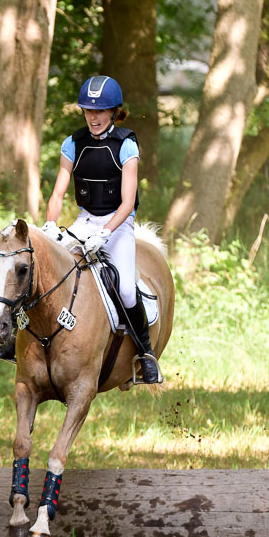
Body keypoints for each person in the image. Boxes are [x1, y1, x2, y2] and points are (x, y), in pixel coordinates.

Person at [41, 74, 160, 384]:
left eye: (100, 111)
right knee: (46, 269)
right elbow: (57, 194)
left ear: (113, 111)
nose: (93, 117)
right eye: (88, 111)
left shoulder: (126, 145)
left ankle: (146, 355)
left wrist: (105, 233)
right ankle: (17, 339)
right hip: (84, 221)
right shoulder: (73, 143)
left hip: (118, 225)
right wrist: (50, 225)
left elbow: (127, 202)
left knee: (124, 289)